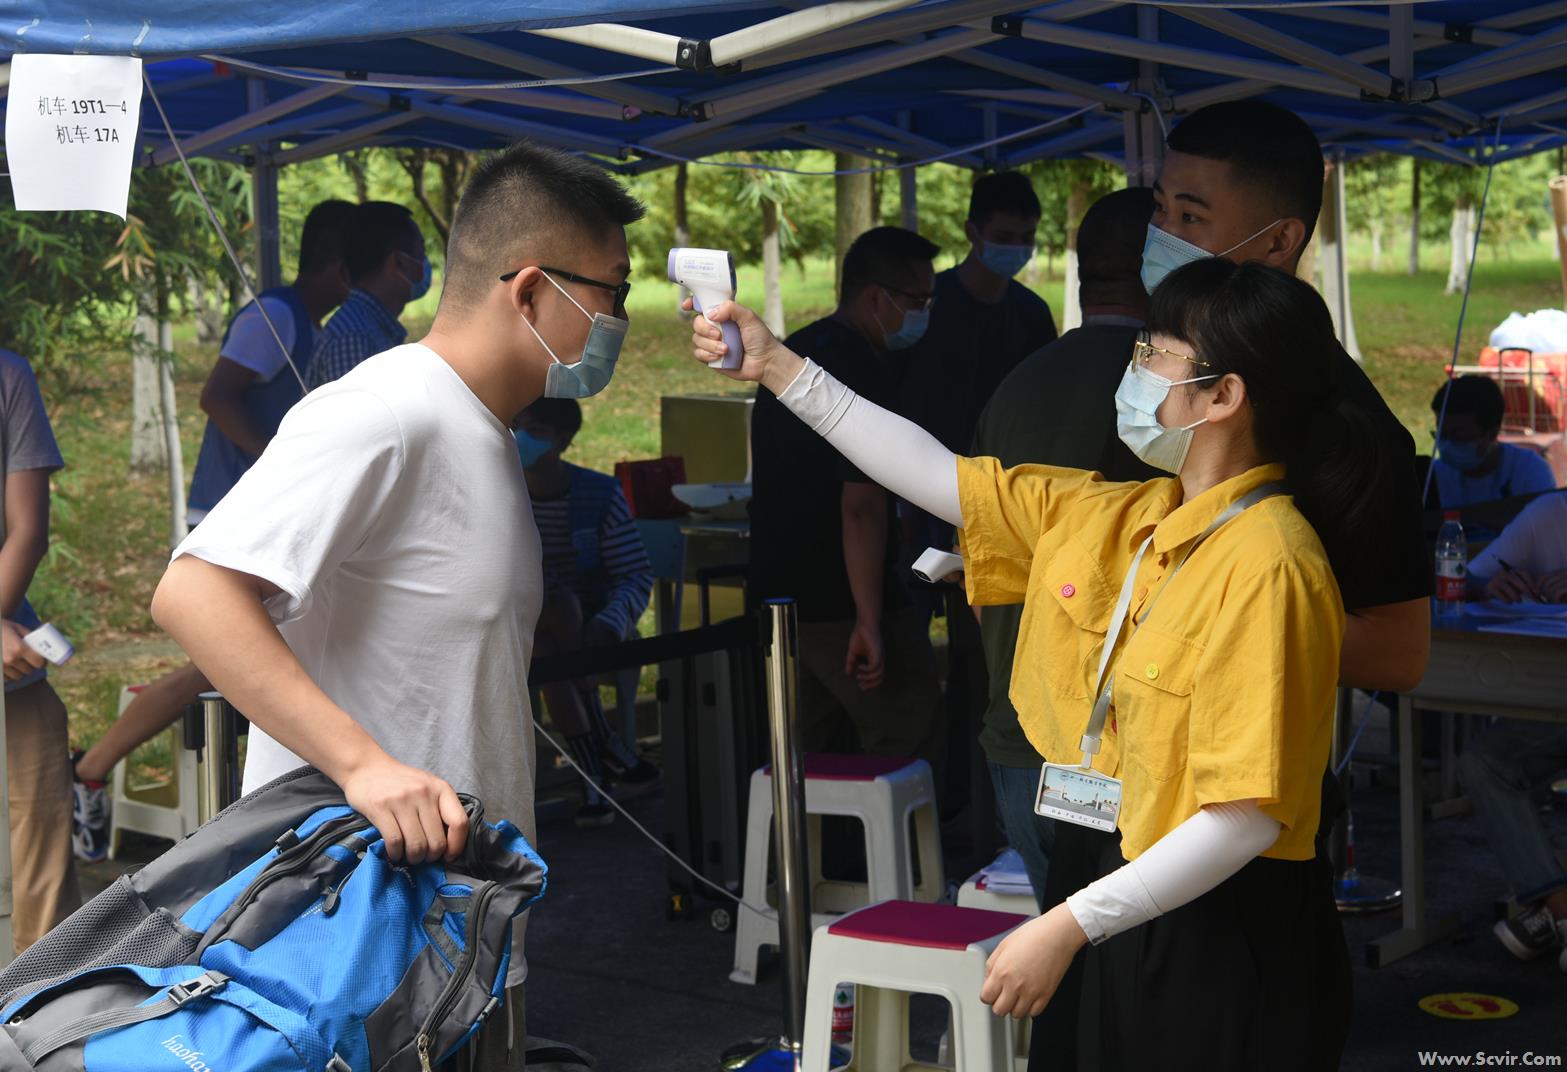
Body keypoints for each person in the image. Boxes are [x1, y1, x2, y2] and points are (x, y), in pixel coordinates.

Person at [691, 256, 1375, 1067]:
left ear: (1222, 395)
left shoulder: (1270, 562)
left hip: (1214, 925)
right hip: (1110, 877)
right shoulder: (1129, 514)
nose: (1132, 370)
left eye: (1153, 353)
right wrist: (776, 365)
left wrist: (1065, 927)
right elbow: (931, 472)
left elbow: (1244, 817)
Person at [151, 141, 645, 1071]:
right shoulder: (383, 411)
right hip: (351, 934)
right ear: (530, 290)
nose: (618, 318)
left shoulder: (481, 428)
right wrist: (364, 766)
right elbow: (195, 590)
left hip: (456, 922)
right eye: (611, 291)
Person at [70, 199, 354, 862]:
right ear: (341, 266)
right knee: (221, 664)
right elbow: (217, 394)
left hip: (270, 517)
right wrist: (274, 459)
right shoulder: (274, 315)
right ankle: (90, 770)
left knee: (248, 662)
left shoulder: (307, 322)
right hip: (233, 517)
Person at [969, 186, 1160, 1068]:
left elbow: (981, 569)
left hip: (1020, 728)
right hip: (1134, 746)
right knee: (1141, 993)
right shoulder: (1174, 395)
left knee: (1078, 989)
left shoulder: (1017, 385)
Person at [746, 226, 943, 767]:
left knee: (807, 761)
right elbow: (862, 507)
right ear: (877, 297)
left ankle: (816, 834)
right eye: (918, 301)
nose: (924, 313)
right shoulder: (859, 367)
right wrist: (869, 620)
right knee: (907, 733)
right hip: (838, 597)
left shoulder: (796, 352)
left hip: (781, 594)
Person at [897, 171, 1059, 817]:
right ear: (971, 232)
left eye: (1025, 237)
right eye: (1003, 236)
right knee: (911, 668)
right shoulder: (926, 307)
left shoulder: (1030, 314)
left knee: (986, 668)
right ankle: (929, 802)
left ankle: (979, 810)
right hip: (917, 508)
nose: (1014, 248)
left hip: (1000, 517)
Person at [515, 396, 658, 829]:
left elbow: (634, 574)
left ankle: (591, 771)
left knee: (553, 636)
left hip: (582, 624)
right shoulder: (501, 491)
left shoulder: (599, 495)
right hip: (525, 618)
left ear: (563, 440)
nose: (521, 439)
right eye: (518, 428)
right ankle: (602, 742)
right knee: (556, 610)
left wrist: (610, 622)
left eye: (535, 432)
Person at [1459, 490, 1567, 969]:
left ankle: (1548, 912)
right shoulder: (1548, 514)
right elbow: (1462, 578)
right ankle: (1559, 905)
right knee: (1484, 761)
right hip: (1549, 704)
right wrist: (1491, 587)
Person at [0, 348, 81, 952]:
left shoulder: (8, 375)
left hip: (13, 671)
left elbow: (28, 530)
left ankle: (37, 996)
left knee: (43, 884)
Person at [306, 201, 430, 389]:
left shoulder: (368, 328)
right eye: (422, 252)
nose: (424, 262)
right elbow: (357, 407)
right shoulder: (353, 338)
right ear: (400, 262)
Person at [1427, 374, 1556, 509]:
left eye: (1457, 434)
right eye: (1441, 434)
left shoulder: (1529, 471)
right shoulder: (1433, 477)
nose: (1447, 444)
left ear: (1492, 434)